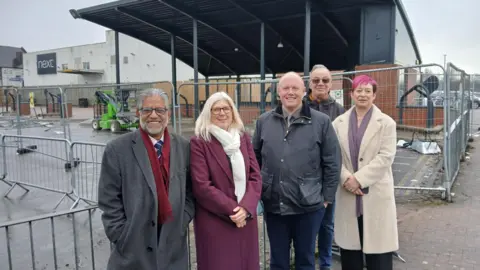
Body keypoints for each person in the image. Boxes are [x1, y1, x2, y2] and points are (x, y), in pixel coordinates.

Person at [252, 72, 342, 270]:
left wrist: (326, 198)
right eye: (286, 88)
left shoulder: (322, 122)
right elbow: (254, 160)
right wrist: (261, 191)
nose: (290, 92)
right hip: (275, 204)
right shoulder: (264, 122)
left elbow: (332, 162)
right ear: (278, 92)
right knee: (278, 261)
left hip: (308, 207)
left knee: (305, 260)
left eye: (295, 88)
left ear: (304, 91)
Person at [98, 88, 195, 270]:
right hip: (133, 247)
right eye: (147, 110)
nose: (153, 115)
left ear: (168, 113)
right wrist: (121, 234)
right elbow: (108, 199)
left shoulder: (183, 147)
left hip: (172, 243)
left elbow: (191, 191)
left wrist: (183, 220)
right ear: (138, 113)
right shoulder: (117, 149)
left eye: (159, 110)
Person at [332, 75, 398, 270]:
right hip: (347, 193)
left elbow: (386, 157)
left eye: (367, 91)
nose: (363, 95)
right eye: (358, 90)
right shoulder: (338, 123)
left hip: (375, 194)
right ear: (351, 94)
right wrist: (346, 179)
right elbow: (333, 156)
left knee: (379, 255)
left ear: (374, 95)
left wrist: (359, 180)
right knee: (350, 254)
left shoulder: (387, 123)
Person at [190, 91, 262, 270]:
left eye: (226, 108)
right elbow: (202, 185)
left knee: (246, 263)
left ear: (232, 111)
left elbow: (255, 175)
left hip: (245, 218)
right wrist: (234, 210)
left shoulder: (243, 138)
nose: (222, 113)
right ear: (208, 113)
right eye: (216, 109)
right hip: (216, 219)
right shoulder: (200, 142)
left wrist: (246, 208)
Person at [305, 64, 345, 270]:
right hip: (304, 177)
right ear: (309, 83)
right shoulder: (301, 107)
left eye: (325, 80)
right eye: (316, 80)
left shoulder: (339, 110)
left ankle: (326, 264)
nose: (321, 84)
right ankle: (307, 262)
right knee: (306, 226)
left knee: (327, 225)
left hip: (328, 176)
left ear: (331, 84)